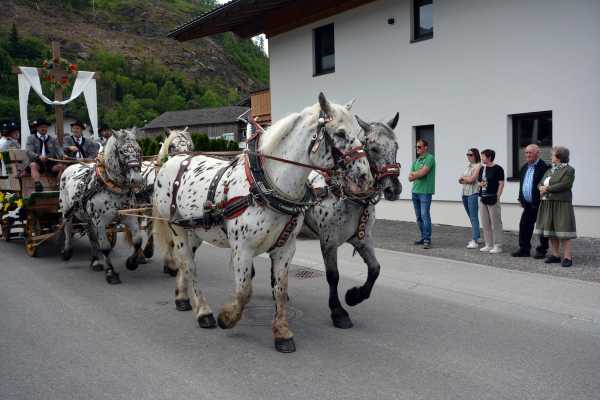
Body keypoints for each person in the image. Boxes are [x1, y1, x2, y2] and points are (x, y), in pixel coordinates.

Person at [534, 146, 576, 267]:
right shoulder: (550, 170)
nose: (551, 157)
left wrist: (546, 188)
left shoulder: (569, 170)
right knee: (551, 230)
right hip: (547, 203)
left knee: (564, 231)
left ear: (559, 157)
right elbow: (540, 183)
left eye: (552, 155)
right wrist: (540, 188)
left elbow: (565, 185)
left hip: (561, 204)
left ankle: (568, 257)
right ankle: (556, 255)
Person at [512, 144, 550, 258]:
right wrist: (520, 198)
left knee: (542, 228)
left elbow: (546, 185)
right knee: (524, 225)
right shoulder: (524, 167)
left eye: (530, 152)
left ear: (537, 153)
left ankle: (542, 250)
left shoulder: (544, 167)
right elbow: (522, 185)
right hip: (527, 204)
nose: (527, 155)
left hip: (540, 203)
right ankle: (524, 249)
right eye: (526, 153)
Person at [408, 138, 436, 249]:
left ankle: (427, 239)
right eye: (416, 147)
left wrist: (416, 174)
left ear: (425, 147)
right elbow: (410, 177)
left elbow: (424, 172)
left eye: (419, 147)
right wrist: (416, 174)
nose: (417, 149)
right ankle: (423, 237)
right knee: (419, 217)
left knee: (425, 215)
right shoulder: (417, 160)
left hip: (425, 192)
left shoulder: (430, 158)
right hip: (415, 191)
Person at [25, 118, 65, 192]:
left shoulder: (53, 139)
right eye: (41, 127)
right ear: (37, 128)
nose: (43, 128)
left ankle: (59, 185)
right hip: (37, 161)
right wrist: (38, 156)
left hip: (50, 162)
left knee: (62, 167)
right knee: (33, 165)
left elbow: (59, 149)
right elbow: (28, 151)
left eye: (45, 127)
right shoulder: (31, 138)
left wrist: (63, 155)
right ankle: (38, 184)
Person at [477, 149, 505, 253]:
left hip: (493, 198)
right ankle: (488, 244)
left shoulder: (498, 169)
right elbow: (479, 182)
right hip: (483, 198)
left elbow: (501, 184)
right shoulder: (482, 169)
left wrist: (498, 196)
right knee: (485, 222)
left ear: (489, 157)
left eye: (483, 156)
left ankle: (498, 245)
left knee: (496, 222)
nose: (481, 158)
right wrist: (480, 184)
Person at [459, 148, 481, 248]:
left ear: (475, 155)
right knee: (470, 216)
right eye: (467, 154)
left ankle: (475, 240)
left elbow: (472, 179)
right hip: (465, 193)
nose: (468, 156)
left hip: (473, 193)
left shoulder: (478, 166)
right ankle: (478, 236)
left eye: (470, 154)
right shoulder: (468, 166)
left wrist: (465, 179)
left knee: (473, 217)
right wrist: (464, 179)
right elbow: (460, 179)